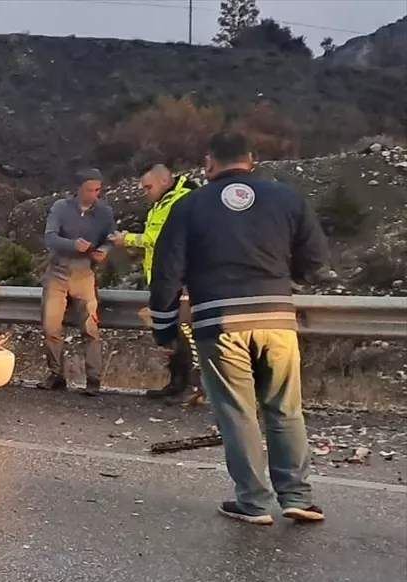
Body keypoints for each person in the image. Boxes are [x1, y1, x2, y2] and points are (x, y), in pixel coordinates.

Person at [149, 132, 329, 525]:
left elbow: (166, 274)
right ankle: (298, 496)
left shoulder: (189, 206)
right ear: (251, 159)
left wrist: (165, 329)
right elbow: (316, 258)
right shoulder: (286, 197)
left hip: (220, 321)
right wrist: (285, 284)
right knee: (285, 409)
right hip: (277, 320)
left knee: (238, 413)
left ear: (209, 165)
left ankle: (254, 502)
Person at [108, 163, 201, 401]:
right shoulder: (161, 203)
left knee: (183, 332)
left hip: (183, 278)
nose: (145, 191)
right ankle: (178, 383)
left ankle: (189, 387)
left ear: (163, 180)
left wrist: (125, 239)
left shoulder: (182, 201)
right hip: (165, 278)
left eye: (148, 186)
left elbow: (157, 238)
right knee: (172, 333)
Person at [39, 168, 116, 396]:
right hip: (57, 273)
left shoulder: (104, 212)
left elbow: (111, 237)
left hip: (84, 275)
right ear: (78, 188)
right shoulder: (60, 208)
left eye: (97, 190)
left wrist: (104, 250)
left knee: (90, 329)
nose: (93, 194)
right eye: (89, 189)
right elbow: (50, 237)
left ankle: (93, 380)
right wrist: (73, 245)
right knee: (51, 327)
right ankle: (56, 375)